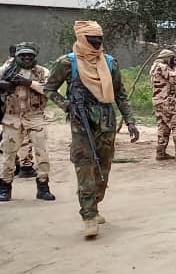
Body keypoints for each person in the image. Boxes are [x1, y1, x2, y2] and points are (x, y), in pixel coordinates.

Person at [44, 21, 140, 238]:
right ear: (81, 39)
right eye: (92, 40)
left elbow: (120, 94)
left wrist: (130, 121)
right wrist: (65, 104)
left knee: (103, 169)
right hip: (81, 123)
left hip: (106, 122)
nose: (97, 44)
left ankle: (95, 203)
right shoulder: (67, 63)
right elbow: (49, 88)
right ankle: (88, 215)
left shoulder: (109, 63)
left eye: (99, 39)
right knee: (85, 165)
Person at [0, 43, 55, 202]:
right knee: (8, 154)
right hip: (12, 116)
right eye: (22, 55)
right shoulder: (6, 70)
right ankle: (5, 186)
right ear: (16, 56)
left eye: (30, 55)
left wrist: (28, 83)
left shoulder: (42, 72)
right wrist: (6, 85)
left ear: (35, 57)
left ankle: (43, 187)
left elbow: (49, 90)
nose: (26, 58)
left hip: (35, 115)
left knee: (42, 153)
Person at [2, 45, 37, 178]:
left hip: (8, 110)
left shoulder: (7, 65)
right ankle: (25, 165)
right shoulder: (13, 67)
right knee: (24, 137)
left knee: (9, 139)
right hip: (17, 109)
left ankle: (17, 163)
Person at [149, 49, 176, 161]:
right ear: (168, 58)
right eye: (172, 59)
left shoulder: (153, 67)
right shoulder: (162, 67)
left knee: (163, 126)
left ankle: (161, 152)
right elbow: (174, 80)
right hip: (166, 101)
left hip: (157, 100)